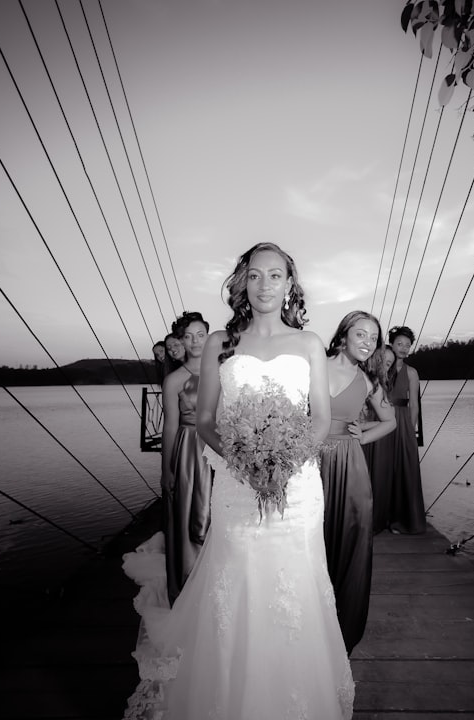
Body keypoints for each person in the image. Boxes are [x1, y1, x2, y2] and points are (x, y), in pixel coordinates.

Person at [121, 242, 354, 719]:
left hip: (299, 486)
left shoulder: (309, 343)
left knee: (296, 584)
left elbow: (320, 422)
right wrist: (247, 462)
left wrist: (283, 464)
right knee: (239, 579)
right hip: (237, 483)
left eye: (275, 276)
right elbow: (205, 419)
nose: (264, 284)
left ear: (290, 285)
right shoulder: (219, 343)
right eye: (254, 275)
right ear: (241, 283)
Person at [321, 310, 396, 655]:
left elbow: (390, 422)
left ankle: (342, 625)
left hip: (350, 466)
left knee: (350, 538)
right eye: (361, 334)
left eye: (373, 338)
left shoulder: (369, 382)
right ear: (343, 335)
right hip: (312, 462)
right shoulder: (315, 367)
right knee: (314, 537)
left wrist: (362, 436)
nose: (368, 343)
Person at [159, 311, 213, 605]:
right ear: (181, 340)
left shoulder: (223, 371)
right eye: (188, 336)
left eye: (200, 335)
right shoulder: (174, 380)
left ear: (209, 336)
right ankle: (189, 592)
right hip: (190, 451)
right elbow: (169, 426)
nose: (195, 341)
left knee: (220, 518)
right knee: (192, 518)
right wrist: (166, 470)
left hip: (221, 449)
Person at [386, 325, 426, 534]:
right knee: (382, 467)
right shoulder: (380, 366)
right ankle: (377, 517)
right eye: (399, 344)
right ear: (391, 344)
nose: (403, 348)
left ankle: (401, 520)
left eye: (407, 345)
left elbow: (415, 405)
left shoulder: (412, 372)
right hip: (379, 418)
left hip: (401, 421)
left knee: (403, 469)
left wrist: (411, 431)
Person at [362, 345, 396, 534]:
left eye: (388, 364)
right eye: (381, 360)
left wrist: (361, 430)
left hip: (363, 442)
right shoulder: (355, 375)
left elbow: (390, 421)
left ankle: (370, 524)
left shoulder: (376, 386)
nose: (384, 366)